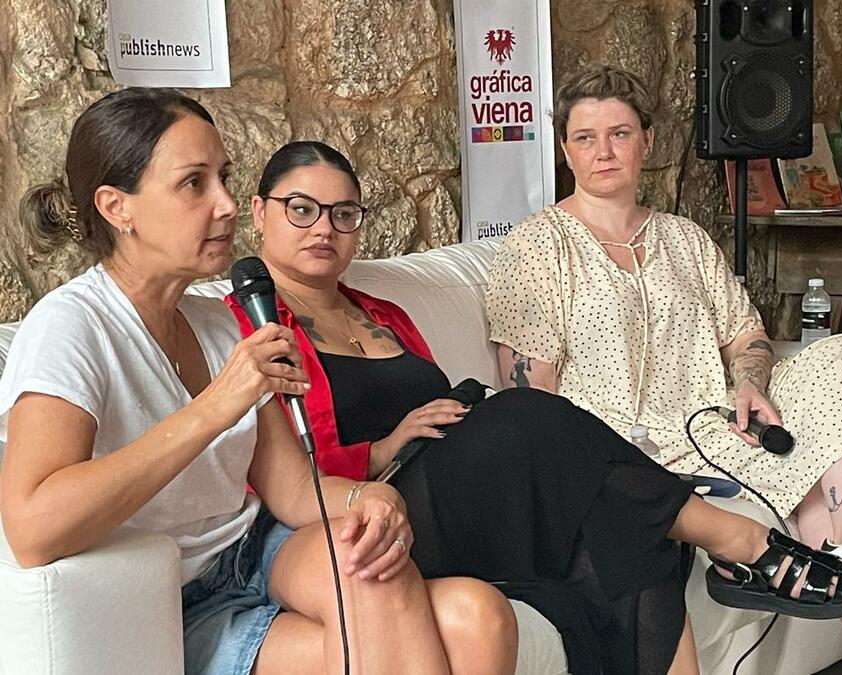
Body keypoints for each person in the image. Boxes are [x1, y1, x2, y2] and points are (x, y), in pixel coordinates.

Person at [227, 140, 842, 675]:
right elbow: (277, 470)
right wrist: (383, 447)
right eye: (303, 209)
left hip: (458, 484)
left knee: (621, 519)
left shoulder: (382, 312)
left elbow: (440, 403)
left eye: (344, 214)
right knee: (525, 413)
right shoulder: (249, 324)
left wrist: (449, 411)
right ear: (259, 211)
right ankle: (741, 540)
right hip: (373, 501)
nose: (325, 229)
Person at [0, 88, 520, 675]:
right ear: (117, 206)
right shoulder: (72, 326)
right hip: (169, 598)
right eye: (194, 183)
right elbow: (33, 528)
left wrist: (370, 495)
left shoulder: (219, 323)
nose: (224, 204)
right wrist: (214, 407)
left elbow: (294, 491)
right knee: (445, 615)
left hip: (255, 552)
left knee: (426, 586)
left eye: (223, 177)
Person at [485, 63, 842, 671]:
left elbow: (748, 336)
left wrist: (750, 382)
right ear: (565, 151)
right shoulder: (534, 249)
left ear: (647, 142)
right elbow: (533, 403)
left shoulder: (686, 239)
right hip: (626, 454)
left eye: (620, 134)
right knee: (813, 498)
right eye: (585, 137)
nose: (604, 151)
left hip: (721, 432)